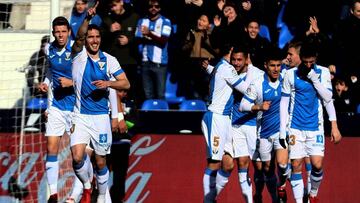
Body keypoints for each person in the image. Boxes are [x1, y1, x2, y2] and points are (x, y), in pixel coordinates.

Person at [70, 3, 130, 203]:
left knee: (101, 161)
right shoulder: (78, 55)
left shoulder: (109, 60)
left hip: (101, 118)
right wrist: (87, 18)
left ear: (100, 39)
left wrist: (108, 83)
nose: (94, 40)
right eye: (90, 37)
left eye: (97, 37)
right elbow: (78, 37)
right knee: (77, 157)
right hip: (80, 116)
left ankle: (102, 196)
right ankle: (87, 187)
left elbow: (126, 83)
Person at [279, 43, 341, 203]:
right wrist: (282, 130)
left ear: (315, 60)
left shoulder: (323, 72)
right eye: (305, 62)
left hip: (315, 127)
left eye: (311, 62)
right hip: (295, 127)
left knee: (317, 164)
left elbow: (328, 99)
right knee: (296, 164)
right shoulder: (290, 74)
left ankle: (313, 194)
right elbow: (284, 103)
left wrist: (334, 126)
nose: (308, 65)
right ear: (301, 59)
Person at [37, 16, 86, 203]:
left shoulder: (77, 50)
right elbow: (51, 70)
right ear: (53, 33)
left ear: (69, 32)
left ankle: (78, 193)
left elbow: (86, 78)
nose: (60, 35)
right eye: (57, 32)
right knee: (51, 147)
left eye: (63, 32)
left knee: (78, 155)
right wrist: (45, 82)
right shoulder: (48, 49)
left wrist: (71, 83)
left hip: (76, 108)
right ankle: (53, 194)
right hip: (56, 106)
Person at [201, 44, 252, 203]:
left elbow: (217, 75)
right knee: (214, 163)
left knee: (228, 164)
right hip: (216, 117)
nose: (237, 62)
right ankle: (208, 201)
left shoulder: (219, 67)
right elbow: (246, 90)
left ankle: (211, 197)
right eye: (235, 57)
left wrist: (208, 68)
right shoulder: (227, 69)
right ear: (230, 51)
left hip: (225, 119)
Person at [239, 48, 285, 203]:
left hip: (282, 132)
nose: (276, 69)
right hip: (263, 132)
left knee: (282, 163)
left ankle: (277, 194)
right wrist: (259, 107)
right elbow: (243, 105)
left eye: (278, 65)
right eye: (272, 65)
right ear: (266, 65)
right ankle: (259, 195)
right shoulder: (258, 83)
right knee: (264, 169)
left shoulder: (286, 79)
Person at [101, 0, 140, 105]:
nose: (113, 8)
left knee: (130, 90)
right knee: (113, 91)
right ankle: (115, 113)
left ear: (121, 2)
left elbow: (141, 38)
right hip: (113, 62)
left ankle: (130, 113)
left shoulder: (134, 17)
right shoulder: (107, 19)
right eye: (111, 6)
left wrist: (129, 40)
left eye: (114, 5)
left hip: (130, 61)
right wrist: (109, 30)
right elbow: (99, 39)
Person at [135, 0, 172, 100]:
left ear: (160, 8)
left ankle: (161, 115)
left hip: (159, 63)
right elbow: (137, 38)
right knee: (147, 95)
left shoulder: (166, 21)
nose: (153, 8)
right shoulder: (142, 21)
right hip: (145, 62)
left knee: (160, 94)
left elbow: (163, 41)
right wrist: (147, 36)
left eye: (156, 6)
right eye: (151, 6)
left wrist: (149, 34)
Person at [181, 13, 216, 101]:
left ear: (209, 24)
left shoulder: (212, 34)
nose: (200, 22)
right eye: (199, 19)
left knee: (206, 91)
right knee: (194, 92)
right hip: (193, 63)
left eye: (204, 21)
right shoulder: (192, 32)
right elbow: (183, 49)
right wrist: (190, 43)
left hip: (207, 63)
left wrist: (207, 39)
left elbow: (216, 50)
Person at [108, 89, 132, 202]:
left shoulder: (130, 105)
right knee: (102, 170)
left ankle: (117, 198)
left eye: (123, 91)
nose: (120, 93)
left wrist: (122, 121)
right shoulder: (105, 103)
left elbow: (134, 123)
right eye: (118, 91)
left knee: (120, 174)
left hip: (122, 143)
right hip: (107, 143)